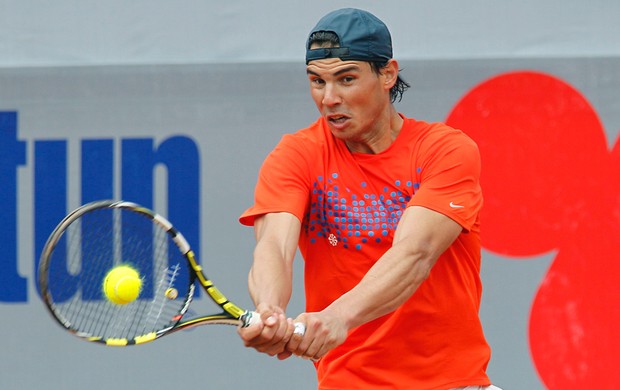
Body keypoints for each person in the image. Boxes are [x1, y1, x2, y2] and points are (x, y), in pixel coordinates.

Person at [238, 8, 499, 390]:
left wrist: (338, 317)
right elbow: (274, 246)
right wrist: (270, 309)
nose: (329, 98)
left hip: (453, 384)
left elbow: (415, 253)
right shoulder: (296, 155)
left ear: (387, 74)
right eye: (317, 81)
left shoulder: (444, 150)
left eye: (346, 79)